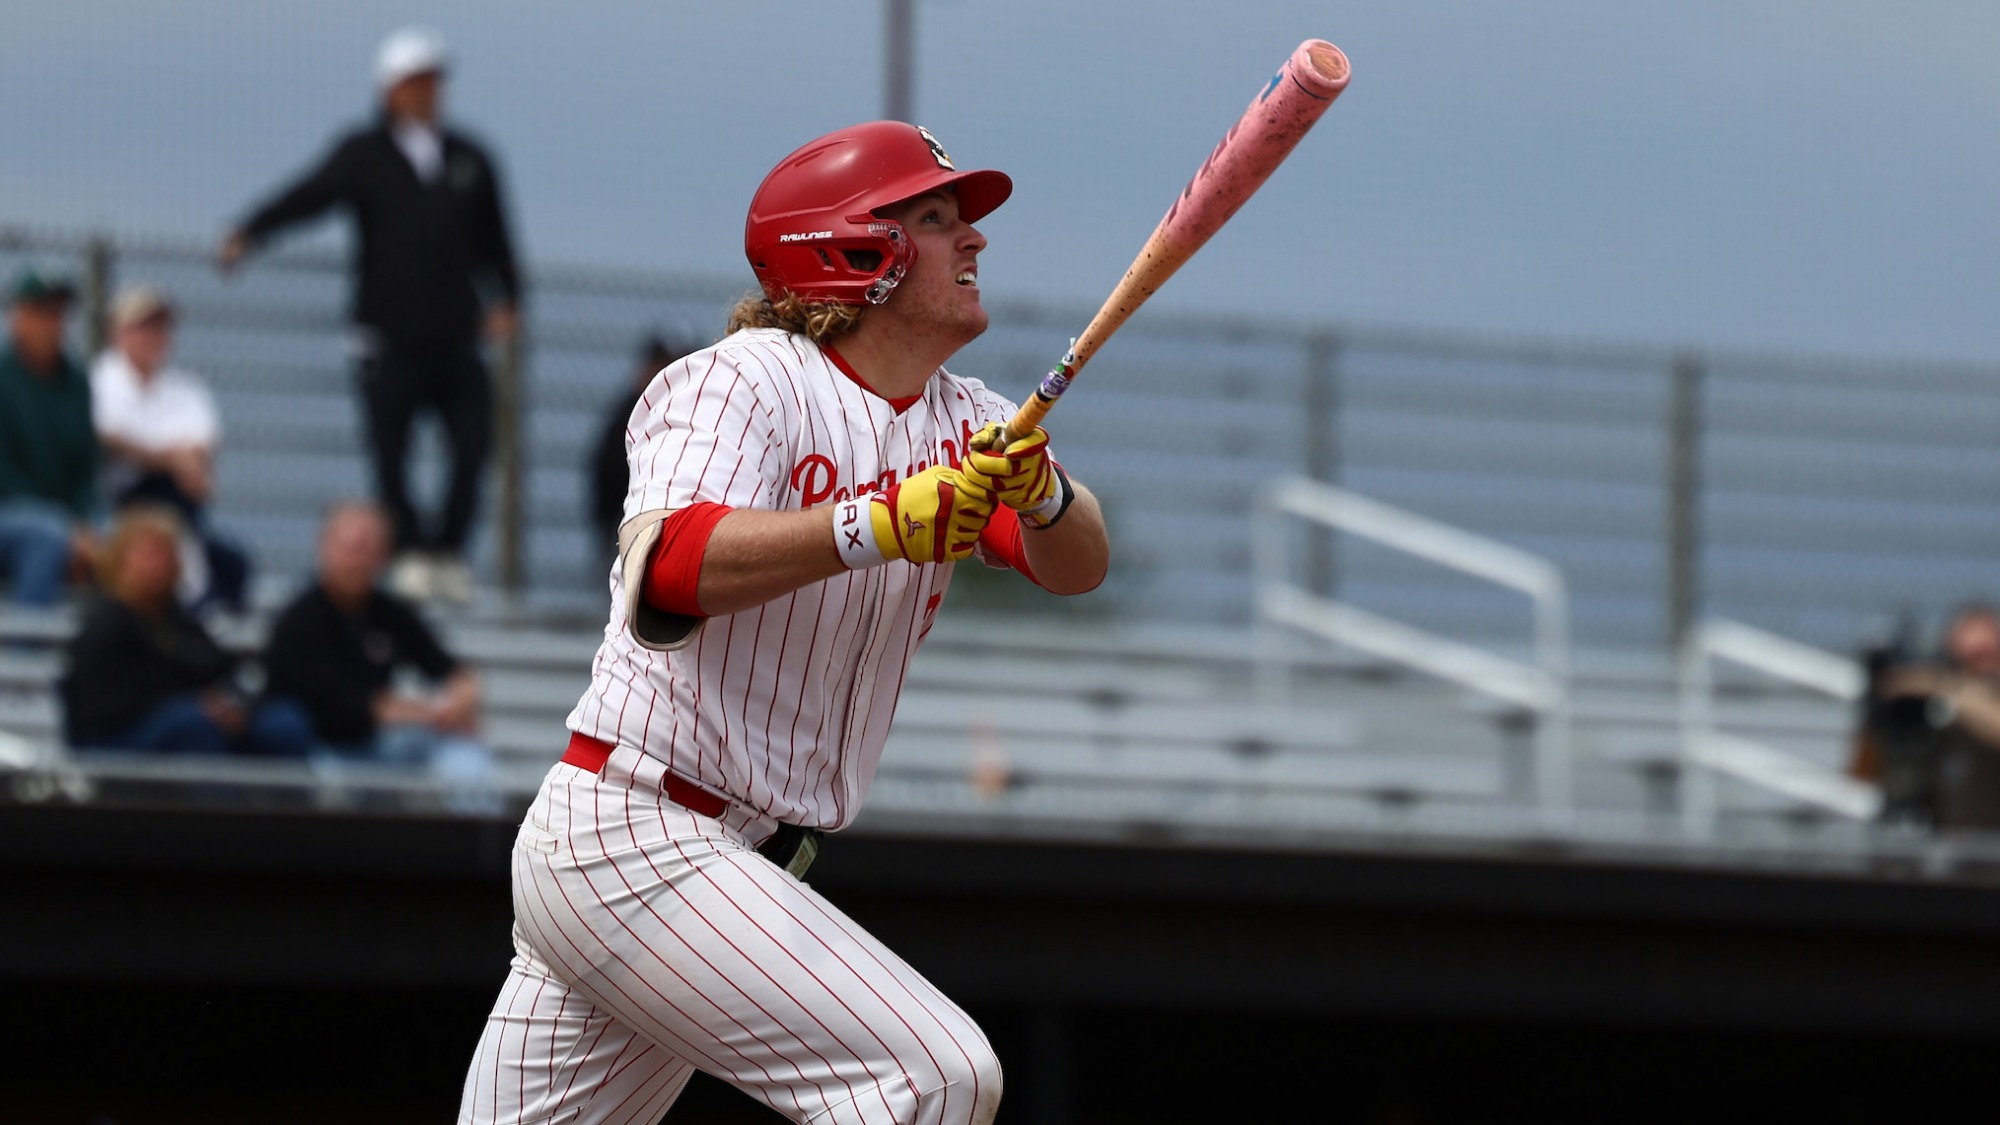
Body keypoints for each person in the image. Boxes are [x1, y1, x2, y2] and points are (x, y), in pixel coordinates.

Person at [458, 121, 1110, 1125]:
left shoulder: (968, 417)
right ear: (854, 252)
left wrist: (1046, 498)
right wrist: (878, 523)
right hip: (637, 829)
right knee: (933, 1076)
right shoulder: (742, 378)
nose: (974, 240)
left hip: (721, 855)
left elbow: (1079, 567)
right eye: (936, 220)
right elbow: (665, 567)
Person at [217, 26, 522, 606]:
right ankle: (408, 554)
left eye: (434, 79)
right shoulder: (363, 154)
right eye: (416, 81)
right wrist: (248, 232)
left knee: (473, 446)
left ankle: (448, 555)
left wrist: (508, 298)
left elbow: (498, 238)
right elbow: (307, 196)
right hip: (387, 339)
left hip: (458, 339)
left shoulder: (471, 157)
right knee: (390, 455)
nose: (428, 91)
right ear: (390, 89)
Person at [261, 500, 492, 791]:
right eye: (349, 547)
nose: (357, 559)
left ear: (385, 556)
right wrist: (427, 713)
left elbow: (447, 668)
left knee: (463, 753)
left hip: (380, 745)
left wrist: (463, 694)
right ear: (323, 547)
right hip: (319, 750)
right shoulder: (299, 620)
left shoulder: (388, 612)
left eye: (368, 549)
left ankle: (477, 831)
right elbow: (342, 707)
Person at [61, 505, 313, 757]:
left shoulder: (177, 618)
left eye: (164, 553)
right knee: (194, 723)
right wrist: (197, 703)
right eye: (146, 554)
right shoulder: (104, 622)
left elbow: (219, 665)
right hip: (117, 739)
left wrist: (237, 703)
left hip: (190, 722)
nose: (155, 565)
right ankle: (214, 796)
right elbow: (96, 707)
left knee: (285, 724)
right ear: (119, 560)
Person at [90, 284, 252, 613]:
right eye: (143, 326)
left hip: (175, 503)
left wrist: (154, 457)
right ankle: (195, 594)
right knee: (167, 497)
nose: (153, 336)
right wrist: (173, 461)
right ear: (116, 332)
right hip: (112, 507)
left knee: (236, 563)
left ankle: (203, 609)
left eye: (160, 327)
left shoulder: (187, 388)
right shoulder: (98, 381)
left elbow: (201, 451)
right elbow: (106, 441)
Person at [0, 268, 98, 607]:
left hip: (64, 519)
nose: (52, 324)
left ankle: (112, 655)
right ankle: (24, 656)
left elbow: (87, 469)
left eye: (58, 313)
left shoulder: (76, 382)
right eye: (42, 312)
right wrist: (69, 528)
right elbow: (5, 476)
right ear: (18, 317)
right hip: (11, 515)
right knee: (46, 537)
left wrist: (84, 524)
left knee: (131, 543)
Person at [1858, 603, 2000, 829]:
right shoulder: (1938, 712)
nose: (1978, 672)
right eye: (1967, 660)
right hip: (1949, 844)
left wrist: (1940, 685)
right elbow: (1861, 775)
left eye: (1985, 656)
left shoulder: (1948, 692)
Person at [587, 334, 688, 561]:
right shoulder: (630, 414)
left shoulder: (701, 415)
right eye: (664, 365)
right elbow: (605, 477)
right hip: (630, 527)